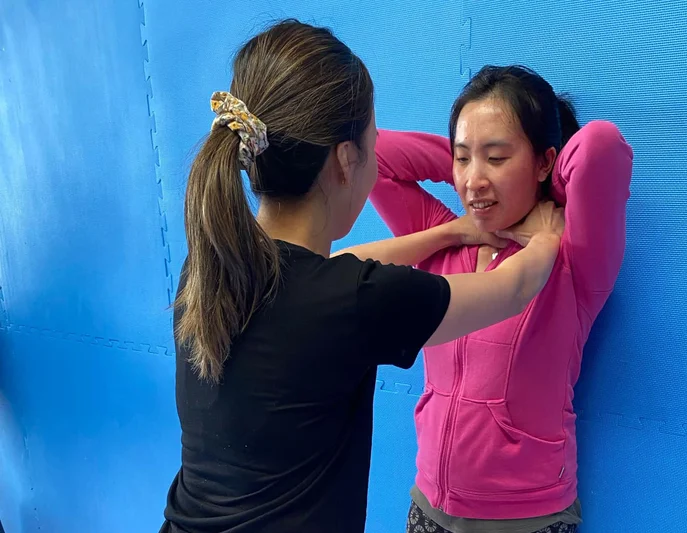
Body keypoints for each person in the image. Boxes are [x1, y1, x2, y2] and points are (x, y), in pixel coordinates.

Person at [159, 22, 566, 533]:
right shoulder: (355, 301)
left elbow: (335, 270)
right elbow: (512, 289)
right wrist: (547, 234)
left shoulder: (209, 267)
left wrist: (450, 233)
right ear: (347, 160)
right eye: (371, 144)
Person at [365, 66, 634, 533]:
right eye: (463, 159)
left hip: (528, 518)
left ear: (546, 161)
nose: (473, 180)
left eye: (496, 157)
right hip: (427, 507)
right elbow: (375, 157)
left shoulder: (573, 259)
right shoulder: (441, 243)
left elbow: (600, 146)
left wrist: (547, 197)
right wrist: (473, 178)